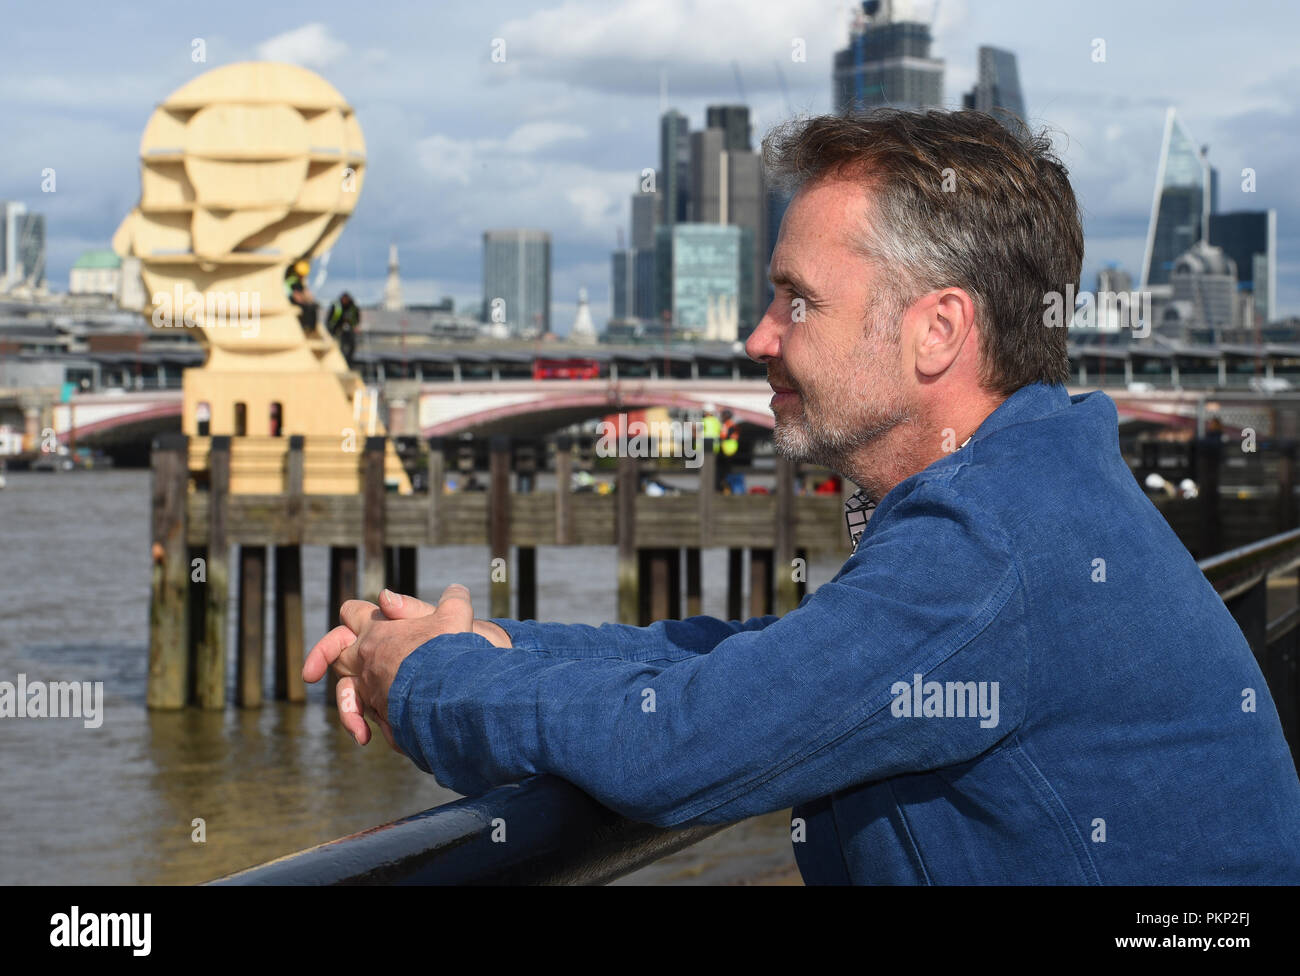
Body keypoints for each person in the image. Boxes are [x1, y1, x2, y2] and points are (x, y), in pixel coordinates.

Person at [304, 110, 1300, 884]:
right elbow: (755, 668)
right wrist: (497, 647)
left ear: (936, 330)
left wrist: (426, 682)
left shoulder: (991, 541)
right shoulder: (1029, 494)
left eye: (797, 300)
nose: (756, 338)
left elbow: (683, 740)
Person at [327, 291, 360, 366]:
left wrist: (355, 325)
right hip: (336, 329)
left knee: (351, 346)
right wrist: (331, 329)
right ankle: (339, 362)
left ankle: (348, 362)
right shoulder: (336, 306)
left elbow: (357, 317)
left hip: (349, 329)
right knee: (339, 346)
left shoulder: (352, 306)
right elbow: (330, 318)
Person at [285, 259, 318, 333]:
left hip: (293, 299)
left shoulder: (296, 280)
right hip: (289, 300)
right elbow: (296, 296)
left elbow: (305, 292)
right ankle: (306, 328)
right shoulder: (293, 281)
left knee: (312, 306)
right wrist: (306, 301)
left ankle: (311, 328)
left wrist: (310, 300)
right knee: (306, 308)